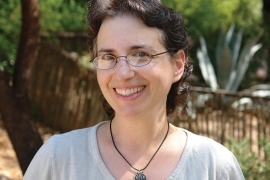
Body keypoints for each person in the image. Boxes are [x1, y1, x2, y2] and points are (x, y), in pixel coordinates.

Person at [23, 0, 245, 179]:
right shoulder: (58, 159)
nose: (122, 74)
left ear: (177, 65)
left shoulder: (214, 166)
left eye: (140, 54)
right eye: (108, 56)